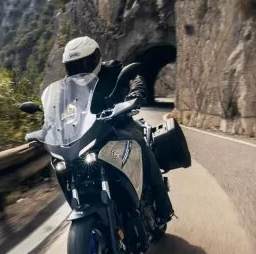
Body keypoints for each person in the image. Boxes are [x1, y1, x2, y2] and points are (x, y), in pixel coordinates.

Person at [61, 36, 173, 225]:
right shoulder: (68, 86)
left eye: (84, 64)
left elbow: (133, 78)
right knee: (65, 164)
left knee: (141, 146)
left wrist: (136, 92)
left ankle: (163, 207)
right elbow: (60, 106)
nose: (79, 71)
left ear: (95, 58)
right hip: (88, 134)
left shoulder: (113, 69)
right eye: (74, 66)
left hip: (120, 125)